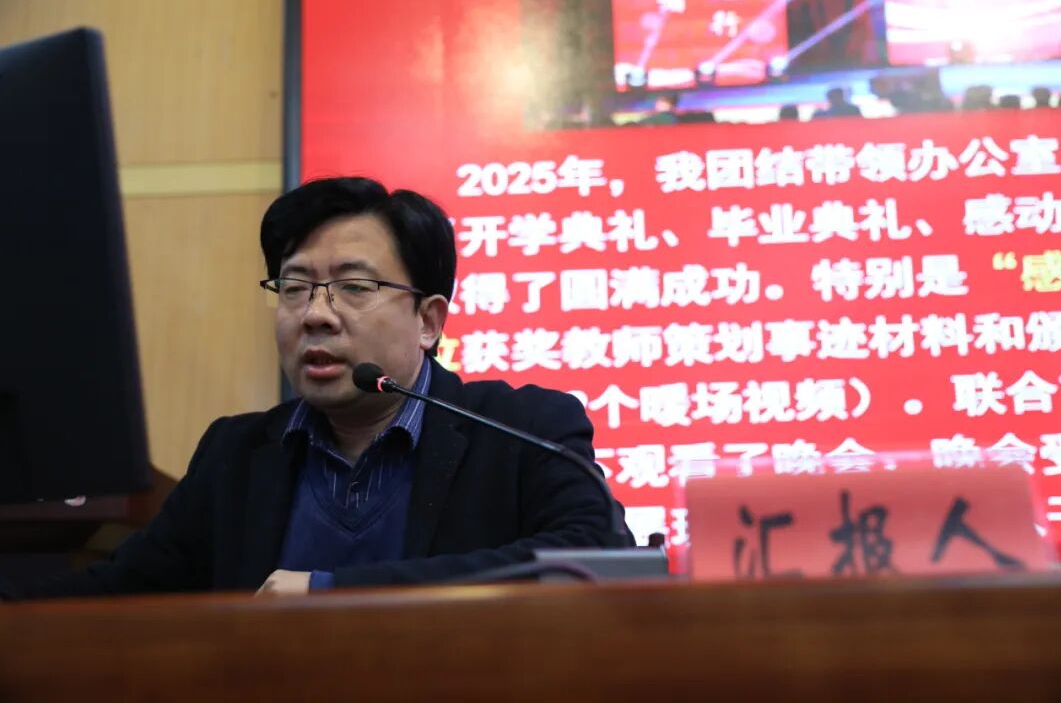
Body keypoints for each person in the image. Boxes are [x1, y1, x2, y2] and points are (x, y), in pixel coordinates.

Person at [3, 177, 630, 599]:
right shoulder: (236, 455)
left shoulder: (523, 429)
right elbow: (119, 590)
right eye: (295, 288)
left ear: (429, 321)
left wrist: (331, 592)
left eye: (354, 288)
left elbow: (592, 554)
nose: (315, 315)